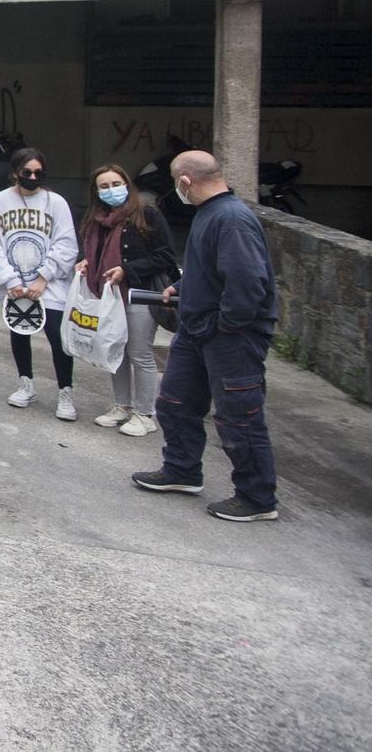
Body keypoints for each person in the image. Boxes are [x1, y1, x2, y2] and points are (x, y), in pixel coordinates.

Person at [133, 151, 281, 521]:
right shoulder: (210, 214)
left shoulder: (231, 219)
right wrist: (181, 287)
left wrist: (225, 326)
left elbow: (247, 284)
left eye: (174, 182)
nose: (175, 189)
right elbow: (210, 269)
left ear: (185, 181)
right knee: (174, 403)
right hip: (197, 331)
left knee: (238, 417)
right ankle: (182, 470)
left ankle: (257, 498)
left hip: (229, 338)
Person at [76, 164, 178, 437]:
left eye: (116, 184)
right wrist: (87, 263)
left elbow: (165, 256)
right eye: (104, 187)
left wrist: (127, 270)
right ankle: (122, 406)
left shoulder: (147, 215)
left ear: (127, 184)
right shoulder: (97, 218)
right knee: (115, 352)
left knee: (139, 353)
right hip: (109, 297)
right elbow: (95, 252)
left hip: (140, 295)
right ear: (96, 192)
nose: (112, 191)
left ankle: (145, 414)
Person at [0, 146, 80, 420]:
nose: (34, 177)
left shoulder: (56, 202)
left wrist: (44, 277)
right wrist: (9, 279)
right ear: (15, 173)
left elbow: (66, 243)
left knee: (57, 337)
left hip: (49, 284)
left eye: (39, 172)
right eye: (27, 172)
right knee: (20, 332)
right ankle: (26, 383)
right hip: (14, 284)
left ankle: (65, 391)